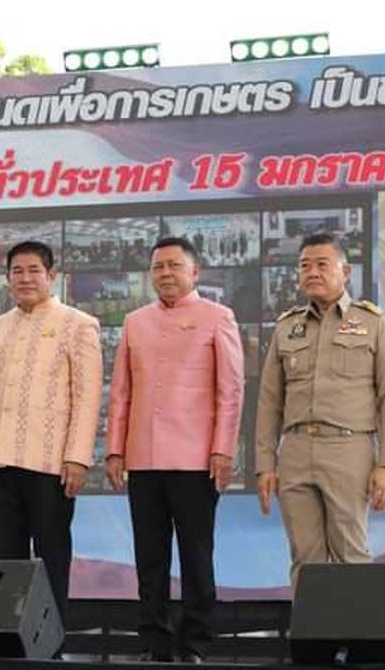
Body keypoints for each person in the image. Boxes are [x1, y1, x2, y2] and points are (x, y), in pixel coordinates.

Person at [106, 237, 244, 663]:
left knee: (196, 556)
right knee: (149, 559)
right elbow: (121, 394)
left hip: (195, 460)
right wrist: (115, 451)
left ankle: (196, 643)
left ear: (194, 272)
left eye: (174, 266)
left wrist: (223, 450)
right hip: (142, 460)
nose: (165, 274)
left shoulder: (218, 317)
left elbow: (231, 391)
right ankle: (155, 643)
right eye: (158, 267)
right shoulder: (135, 321)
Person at [0, 240, 103, 619]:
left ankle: (49, 645)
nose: (25, 278)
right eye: (17, 271)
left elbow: (87, 397)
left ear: (51, 276)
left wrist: (77, 459)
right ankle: (6, 643)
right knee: (4, 563)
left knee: (50, 560)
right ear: (7, 278)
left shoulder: (78, 324)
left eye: (34, 271)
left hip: (50, 467)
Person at [255, 233, 385, 588]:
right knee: (305, 559)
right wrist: (264, 464)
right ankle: (314, 643)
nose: (312, 272)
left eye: (322, 264)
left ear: (345, 271)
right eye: (305, 266)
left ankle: (359, 642)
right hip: (294, 451)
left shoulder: (373, 323)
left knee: (351, 554)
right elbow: (269, 402)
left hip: (348, 450)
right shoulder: (287, 327)